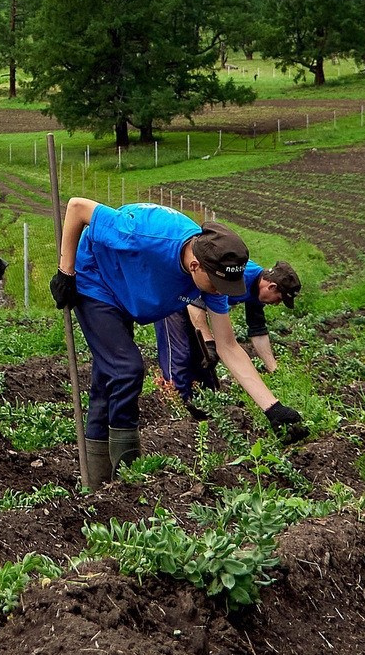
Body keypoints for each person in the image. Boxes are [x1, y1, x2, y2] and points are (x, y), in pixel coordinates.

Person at [51, 198, 306, 486]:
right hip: (96, 281)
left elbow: (229, 346)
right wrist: (66, 272)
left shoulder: (214, 272)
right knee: (126, 369)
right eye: (216, 285)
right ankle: (127, 475)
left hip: (130, 290)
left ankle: (97, 484)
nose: (220, 292)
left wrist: (273, 408)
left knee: (106, 379)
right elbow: (77, 208)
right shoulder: (143, 233)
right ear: (195, 266)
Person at [155, 258, 300, 411]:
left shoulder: (259, 289)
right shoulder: (237, 278)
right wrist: (210, 343)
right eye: (279, 299)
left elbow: (258, 332)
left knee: (203, 363)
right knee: (180, 355)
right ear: (271, 287)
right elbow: (195, 303)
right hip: (176, 295)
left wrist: (274, 369)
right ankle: (175, 408)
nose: (276, 304)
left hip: (197, 303)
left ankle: (203, 406)